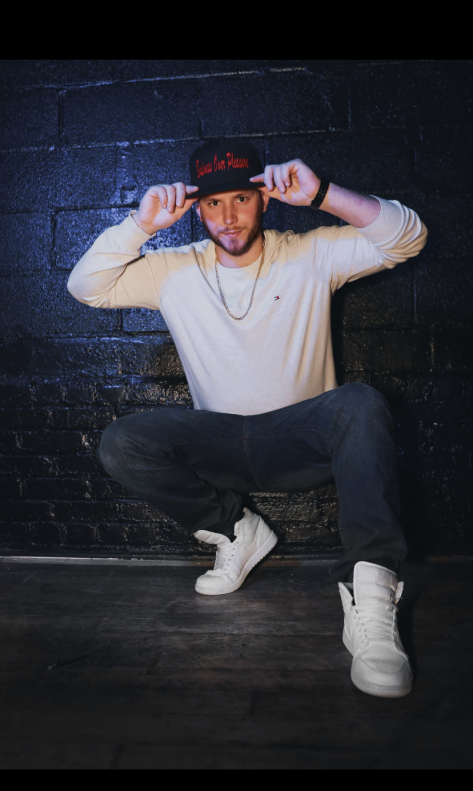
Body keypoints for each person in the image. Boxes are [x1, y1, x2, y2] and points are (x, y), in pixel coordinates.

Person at [67, 137, 428, 698]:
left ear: (264, 199)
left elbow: (408, 237)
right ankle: (236, 530)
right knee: (122, 441)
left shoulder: (310, 252)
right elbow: (85, 287)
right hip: (221, 444)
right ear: (198, 209)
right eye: (213, 203)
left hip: (301, 440)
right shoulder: (171, 270)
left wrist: (323, 195)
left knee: (360, 402)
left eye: (240, 198)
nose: (229, 217)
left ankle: (371, 594)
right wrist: (141, 226)